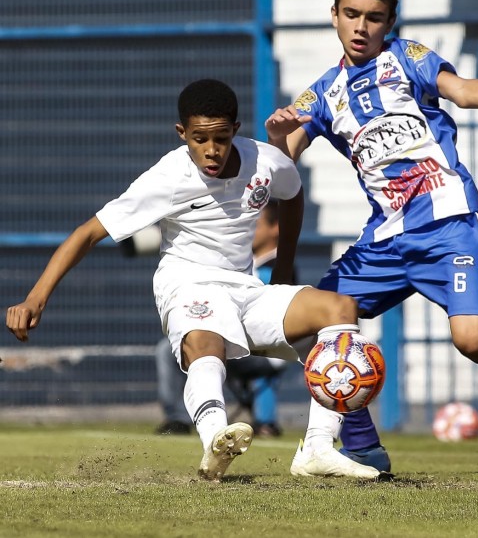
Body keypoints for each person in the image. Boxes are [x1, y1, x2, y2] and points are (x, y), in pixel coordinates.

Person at [265, 0, 478, 475]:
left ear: (390, 22)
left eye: (374, 17)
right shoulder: (322, 93)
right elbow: (285, 150)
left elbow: (462, 90)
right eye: (352, 14)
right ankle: (361, 442)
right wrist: (276, 136)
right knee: (309, 322)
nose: (362, 26)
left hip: (451, 226)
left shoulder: (408, 58)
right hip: (386, 239)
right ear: (333, 14)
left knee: (470, 338)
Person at [6, 78, 384, 481]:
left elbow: (291, 195)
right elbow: (88, 233)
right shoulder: (167, 177)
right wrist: (35, 298)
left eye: (221, 138)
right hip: (187, 286)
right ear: (182, 133)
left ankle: (317, 450)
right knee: (206, 343)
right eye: (200, 139)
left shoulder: (266, 161)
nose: (211, 150)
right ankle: (214, 442)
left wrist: (284, 273)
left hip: (247, 290)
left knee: (340, 309)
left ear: (236, 130)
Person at [154, 200, 293, 437]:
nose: (248, 229)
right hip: (244, 341)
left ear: (274, 228)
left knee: (168, 349)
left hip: (263, 350)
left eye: (255, 224)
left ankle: (178, 418)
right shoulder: (248, 262)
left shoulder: (277, 267)